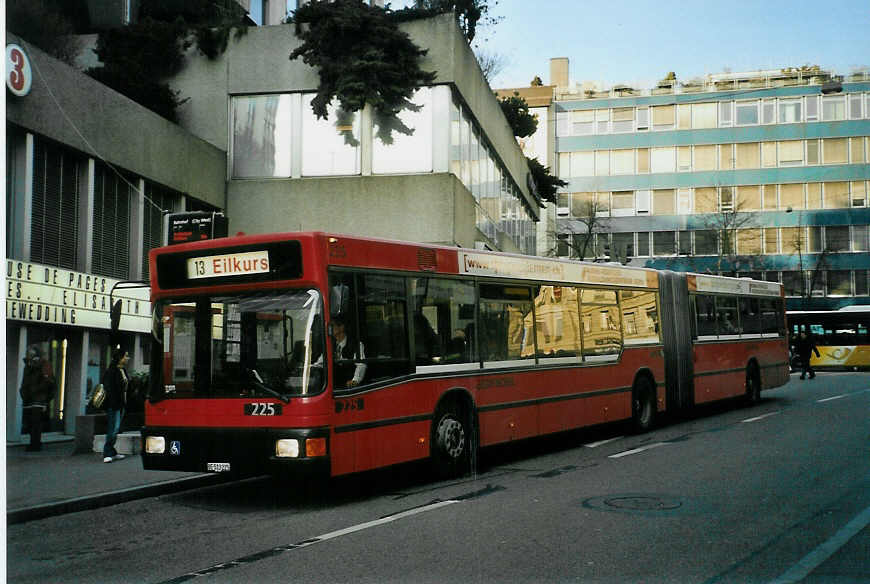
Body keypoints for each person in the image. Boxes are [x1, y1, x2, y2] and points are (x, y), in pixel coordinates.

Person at [19, 347, 56, 452]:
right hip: (30, 399)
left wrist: (43, 397)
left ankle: (35, 444)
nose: (29, 356)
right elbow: (25, 382)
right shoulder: (28, 366)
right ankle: (34, 443)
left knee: (36, 424)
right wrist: (23, 393)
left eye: (31, 354)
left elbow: (48, 382)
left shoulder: (43, 365)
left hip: (38, 400)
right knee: (30, 424)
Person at [102, 348, 130, 462]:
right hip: (113, 404)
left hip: (121, 404)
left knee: (116, 428)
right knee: (113, 428)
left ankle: (112, 451)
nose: (128, 358)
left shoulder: (122, 370)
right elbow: (109, 388)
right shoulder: (112, 371)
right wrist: (114, 404)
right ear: (120, 358)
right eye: (126, 356)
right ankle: (107, 452)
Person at [332, 316, 366, 388]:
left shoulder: (356, 345)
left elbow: (361, 365)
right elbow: (320, 362)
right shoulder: (330, 345)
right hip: (334, 386)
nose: (329, 328)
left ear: (341, 327)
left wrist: (355, 381)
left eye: (332, 326)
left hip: (349, 387)